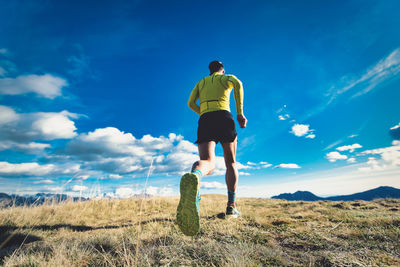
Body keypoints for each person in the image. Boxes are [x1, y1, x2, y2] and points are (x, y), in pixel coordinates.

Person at [176, 60, 247, 236]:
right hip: (224, 116)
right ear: (222, 70)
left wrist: (205, 113)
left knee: (208, 161)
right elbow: (238, 84)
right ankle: (231, 207)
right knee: (230, 163)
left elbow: (190, 103)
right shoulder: (226, 78)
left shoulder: (201, 83)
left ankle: (195, 177)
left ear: (210, 71)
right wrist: (239, 113)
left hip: (205, 119)